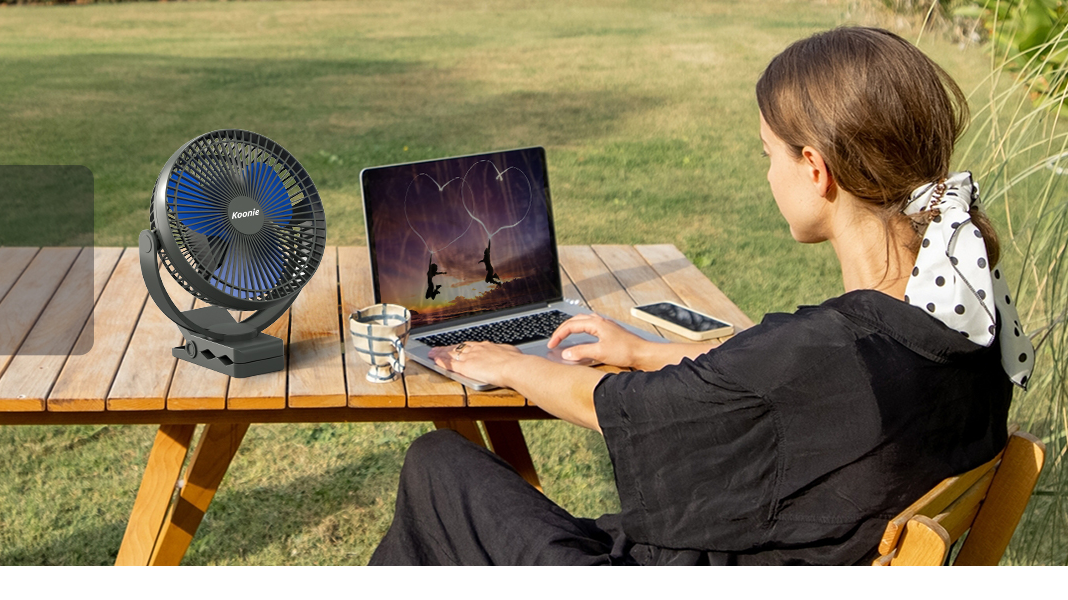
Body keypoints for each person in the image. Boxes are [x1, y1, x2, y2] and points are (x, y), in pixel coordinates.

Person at [368, 26, 1036, 566]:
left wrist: (514, 364)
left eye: (768, 153)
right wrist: (644, 349)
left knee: (439, 468)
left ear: (815, 169)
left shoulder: (828, 353)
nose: (767, 171)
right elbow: (762, 375)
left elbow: (633, 413)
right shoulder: (964, 324)